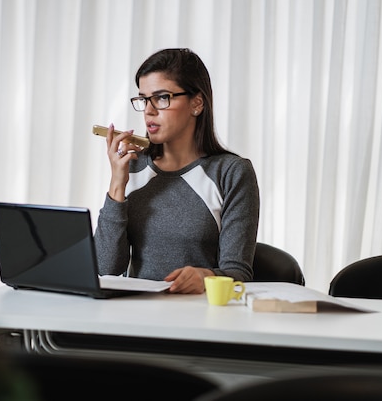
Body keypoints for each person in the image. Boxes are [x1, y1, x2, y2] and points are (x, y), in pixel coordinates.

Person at [94, 48, 260, 294]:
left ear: (196, 103)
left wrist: (206, 277)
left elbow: (239, 274)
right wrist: (117, 184)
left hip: (196, 319)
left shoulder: (231, 173)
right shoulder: (134, 166)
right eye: (143, 99)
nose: (149, 110)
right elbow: (106, 267)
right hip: (133, 314)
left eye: (162, 98)